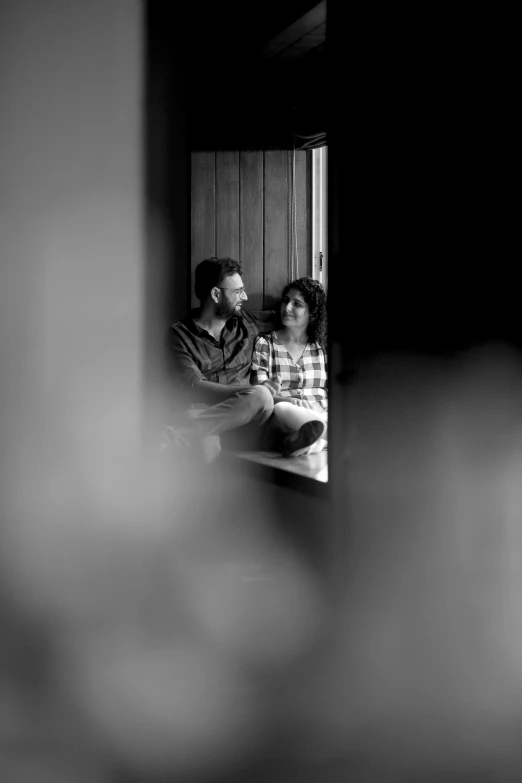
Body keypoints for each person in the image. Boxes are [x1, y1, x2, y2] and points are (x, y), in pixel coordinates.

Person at [165, 258, 324, 461]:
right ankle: (180, 436)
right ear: (215, 294)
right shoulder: (179, 335)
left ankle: (178, 435)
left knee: (275, 410)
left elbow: (296, 315)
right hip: (207, 413)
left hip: (250, 420)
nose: (245, 296)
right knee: (206, 450)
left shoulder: (246, 322)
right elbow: (197, 386)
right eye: (237, 291)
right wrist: (257, 392)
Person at [251, 277, 328, 457]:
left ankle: (307, 441)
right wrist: (290, 401)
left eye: (297, 304)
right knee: (282, 409)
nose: (287, 308)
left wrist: (318, 409)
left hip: (321, 412)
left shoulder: (323, 347)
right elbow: (260, 393)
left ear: (313, 312)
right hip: (284, 416)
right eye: (286, 301)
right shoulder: (265, 344)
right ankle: (326, 436)